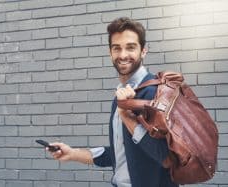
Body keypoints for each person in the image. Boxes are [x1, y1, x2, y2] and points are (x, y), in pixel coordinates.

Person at [48, 17, 179, 187]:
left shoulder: (157, 93)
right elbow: (120, 155)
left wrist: (126, 115)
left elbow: (166, 157)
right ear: (110, 53)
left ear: (144, 51)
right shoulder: (119, 97)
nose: (123, 55)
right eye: (117, 48)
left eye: (131, 47)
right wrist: (72, 153)